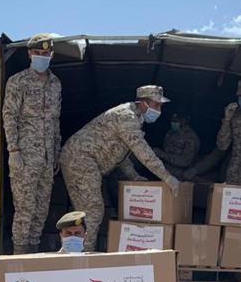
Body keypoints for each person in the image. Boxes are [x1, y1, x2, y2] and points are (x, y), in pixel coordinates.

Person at [60, 85, 180, 250]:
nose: (159, 110)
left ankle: (76, 252)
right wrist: (166, 176)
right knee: (93, 210)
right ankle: (83, 255)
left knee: (88, 211)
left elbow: (120, 153)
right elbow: (142, 151)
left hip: (83, 160)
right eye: (156, 105)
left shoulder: (135, 117)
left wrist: (133, 175)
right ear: (143, 103)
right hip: (80, 159)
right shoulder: (127, 117)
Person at [3, 33, 63, 254]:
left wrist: (55, 153)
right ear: (29, 54)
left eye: (45, 53)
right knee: (25, 209)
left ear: (52, 55)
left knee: (41, 210)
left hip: (47, 158)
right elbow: (9, 116)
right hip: (25, 156)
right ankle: (19, 255)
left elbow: (55, 121)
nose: (41, 56)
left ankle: (33, 254)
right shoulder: (18, 81)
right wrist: (13, 149)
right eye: (37, 52)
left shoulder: (55, 83)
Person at [154, 113, 200, 178]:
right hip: (165, 174)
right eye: (172, 119)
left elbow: (185, 161)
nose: (174, 122)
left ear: (185, 120)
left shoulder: (190, 137)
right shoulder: (170, 133)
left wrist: (163, 155)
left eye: (177, 119)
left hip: (181, 177)